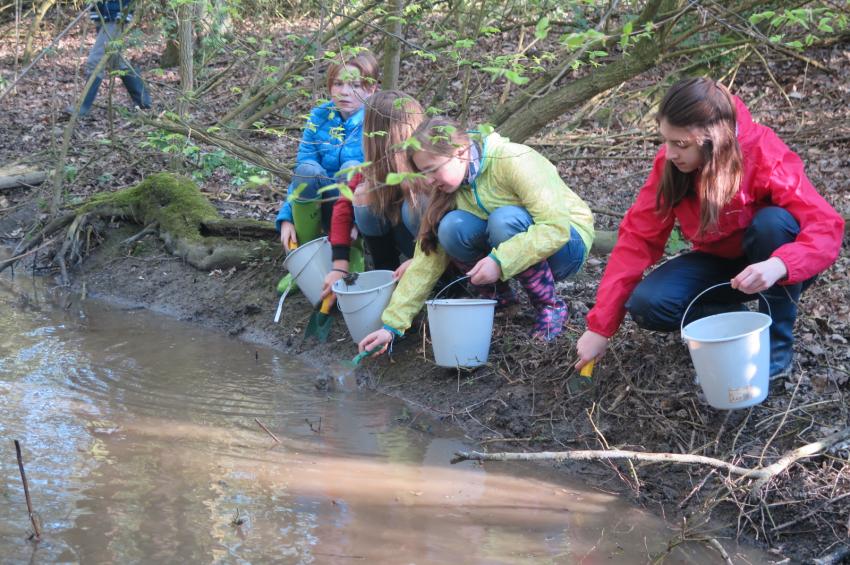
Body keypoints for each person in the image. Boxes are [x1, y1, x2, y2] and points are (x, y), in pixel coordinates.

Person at [574, 77, 844, 379]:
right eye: (666, 140)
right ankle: (732, 324)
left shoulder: (763, 152)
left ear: (713, 139)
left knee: (772, 224)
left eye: (681, 144)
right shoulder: (671, 163)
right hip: (720, 265)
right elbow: (637, 239)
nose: (670, 153)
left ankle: (774, 350)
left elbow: (826, 225)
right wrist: (600, 328)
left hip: (775, 265)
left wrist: (779, 264)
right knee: (648, 304)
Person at [358, 117, 595, 355]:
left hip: (568, 246)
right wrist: (392, 325)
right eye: (423, 172)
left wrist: (500, 261)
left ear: (461, 152)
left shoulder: (514, 160)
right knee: (450, 228)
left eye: (432, 169)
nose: (428, 180)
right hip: (517, 247)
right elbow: (427, 259)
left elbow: (556, 227)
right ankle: (500, 302)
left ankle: (550, 307)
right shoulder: (451, 189)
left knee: (505, 220)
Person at [321, 90, 427, 298]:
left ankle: (440, 282)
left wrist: (422, 260)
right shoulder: (369, 171)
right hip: (400, 248)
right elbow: (343, 208)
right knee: (362, 196)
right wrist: (339, 266)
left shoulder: (428, 165)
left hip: (432, 251)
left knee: (413, 203)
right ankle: (386, 276)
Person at [276, 50, 380, 251]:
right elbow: (302, 172)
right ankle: (306, 255)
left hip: (363, 210)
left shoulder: (377, 122)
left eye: (355, 85)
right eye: (338, 84)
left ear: (371, 89)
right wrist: (287, 217)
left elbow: (382, 179)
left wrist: (360, 220)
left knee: (351, 168)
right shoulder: (319, 117)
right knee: (307, 169)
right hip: (323, 203)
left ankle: (352, 256)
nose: (344, 92)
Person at [69, 0, 151, 117]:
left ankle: (83, 106)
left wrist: (123, 10)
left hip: (116, 15)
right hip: (103, 14)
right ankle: (144, 101)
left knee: (95, 61)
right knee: (117, 61)